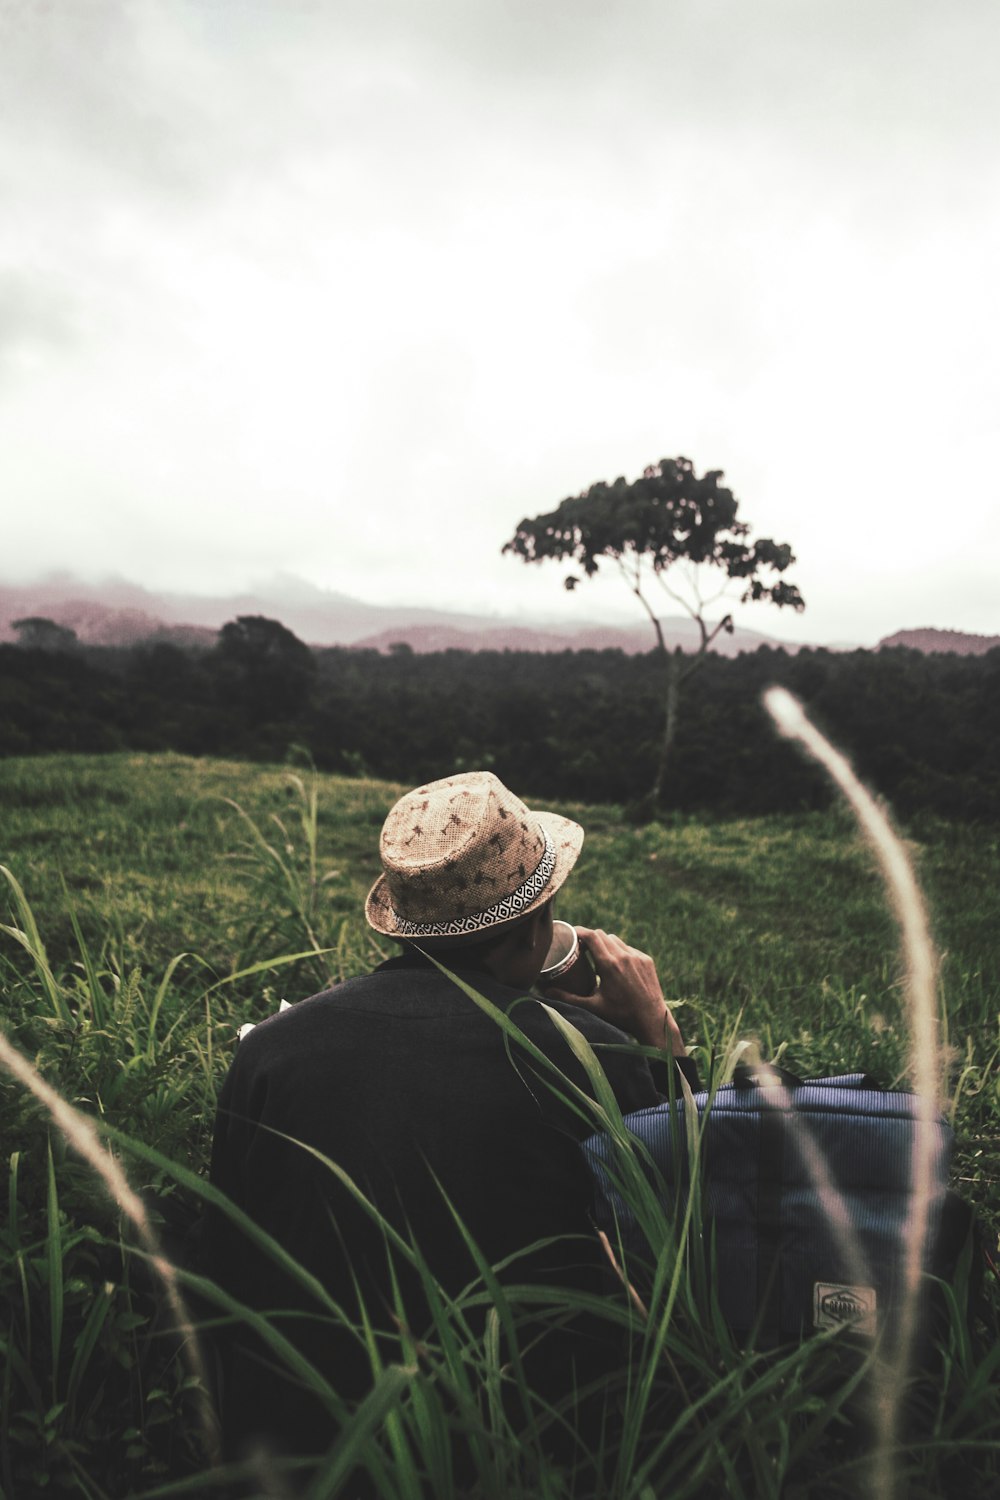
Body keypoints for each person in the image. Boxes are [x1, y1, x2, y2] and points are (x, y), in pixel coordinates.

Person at [201, 770, 697, 1469]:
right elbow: (687, 1226)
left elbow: (227, 1262)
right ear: (532, 931)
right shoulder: (593, 1059)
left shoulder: (271, 1052)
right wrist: (660, 1040)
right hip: (514, 1447)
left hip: (299, 1449)